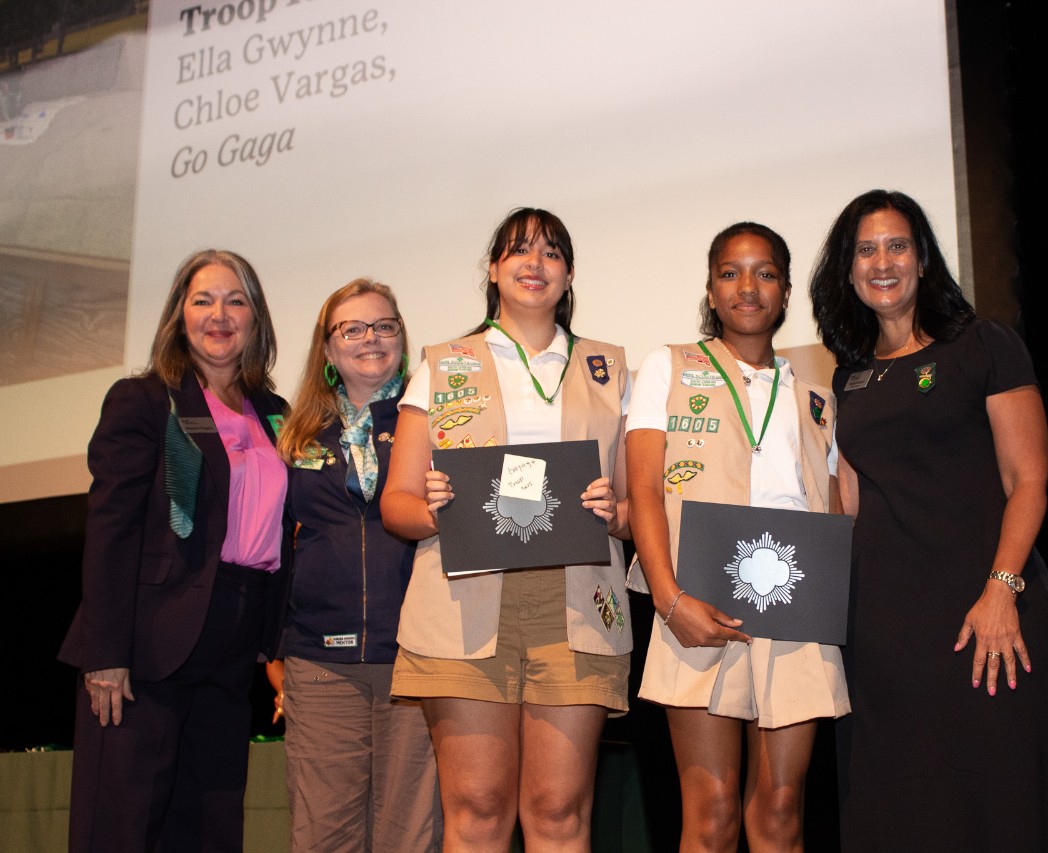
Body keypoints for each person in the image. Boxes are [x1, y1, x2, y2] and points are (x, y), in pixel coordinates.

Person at [809, 189, 1048, 851]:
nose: (882, 262)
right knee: (904, 811)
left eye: (897, 245)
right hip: (885, 640)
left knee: (1004, 803)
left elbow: (1029, 481)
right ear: (848, 270)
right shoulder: (849, 377)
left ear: (923, 258)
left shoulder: (983, 344)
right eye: (865, 250)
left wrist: (1002, 590)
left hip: (987, 617)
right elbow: (849, 507)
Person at [381, 207, 631, 852]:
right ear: (493, 269)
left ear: (568, 274)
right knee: (478, 810)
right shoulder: (444, 364)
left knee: (559, 812)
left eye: (551, 252)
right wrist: (434, 509)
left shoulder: (608, 368)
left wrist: (616, 510)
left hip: (577, 599)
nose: (535, 263)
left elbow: (636, 507)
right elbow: (397, 504)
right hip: (464, 597)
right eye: (519, 250)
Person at [626, 222, 850, 852]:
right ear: (710, 289)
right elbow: (643, 488)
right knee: (712, 813)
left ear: (786, 291)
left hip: (796, 610)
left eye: (765, 273)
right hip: (697, 604)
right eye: (730, 273)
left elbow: (832, 512)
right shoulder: (668, 366)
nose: (747, 287)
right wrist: (669, 599)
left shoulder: (817, 398)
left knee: (780, 813)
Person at [58, 249, 290, 851]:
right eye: (203, 300)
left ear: (256, 317)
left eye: (236, 301)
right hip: (145, 647)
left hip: (234, 644)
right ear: (178, 315)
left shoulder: (277, 414)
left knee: (210, 829)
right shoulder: (143, 399)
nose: (220, 315)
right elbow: (110, 530)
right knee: (122, 829)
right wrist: (106, 653)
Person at [270, 279, 442, 852]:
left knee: (411, 837)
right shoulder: (295, 435)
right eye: (353, 329)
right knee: (323, 836)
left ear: (402, 338)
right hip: (320, 661)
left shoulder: (436, 422)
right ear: (327, 348)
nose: (371, 338)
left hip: (417, 655)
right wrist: (275, 656)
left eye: (385, 326)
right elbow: (274, 550)